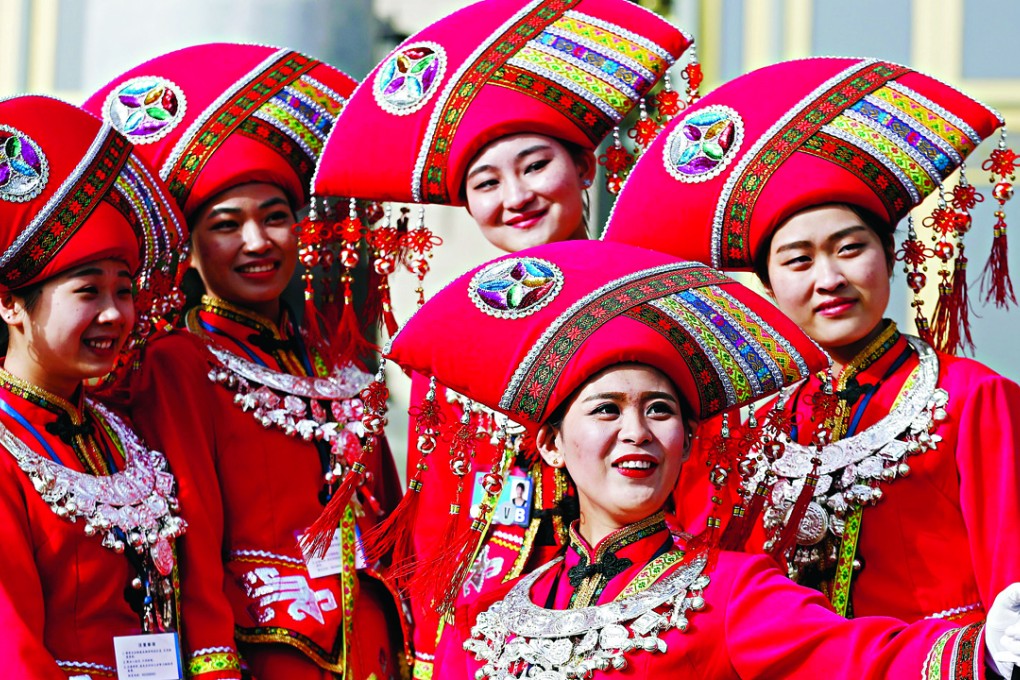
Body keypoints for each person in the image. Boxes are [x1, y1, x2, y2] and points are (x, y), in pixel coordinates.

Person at [383, 238, 1020, 678]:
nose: (635, 432)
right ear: (550, 443)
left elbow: (857, 658)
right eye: (606, 411)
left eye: (658, 411)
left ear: (687, 440)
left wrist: (983, 650)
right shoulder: (488, 620)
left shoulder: (732, 592)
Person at [311, 2, 695, 672]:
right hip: (479, 636)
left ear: (587, 169)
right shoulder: (452, 337)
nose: (515, 196)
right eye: (486, 182)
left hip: (624, 619)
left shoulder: (651, 304)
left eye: (535, 166)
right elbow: (438, 516)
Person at [602, 56, 1020, 624]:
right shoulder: (742, 425)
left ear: (891, 258)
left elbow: (1012, 595)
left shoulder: (973, 398)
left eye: (850, 249)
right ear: (769, 286)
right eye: (799, 261)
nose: (830, 279)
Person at [82, 43, 406, 679]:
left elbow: (392, 519)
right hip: (267, 656)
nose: (257, 242)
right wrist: (214, 666)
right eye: (227, 225)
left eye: (276, 217)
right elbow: (191, 537)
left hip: (377, 651)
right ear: (193, 251)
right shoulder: (179, 363)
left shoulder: (334, 362)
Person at [0, 96, 241, 678]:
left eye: (125, 290)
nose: (114, 315)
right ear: (11, 304)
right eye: (88, 292)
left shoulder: (122, 431)